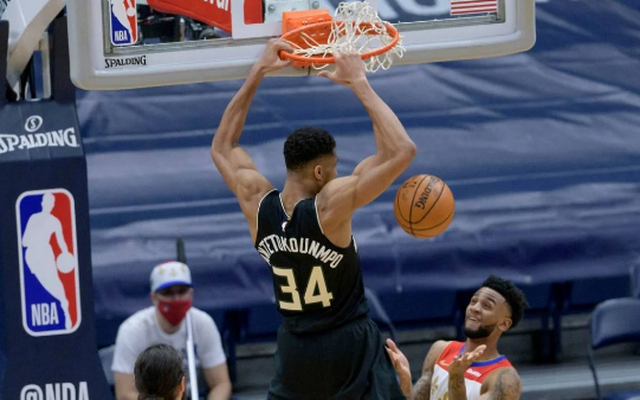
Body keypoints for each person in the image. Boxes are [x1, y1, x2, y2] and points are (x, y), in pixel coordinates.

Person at [211, 39, 416, 399]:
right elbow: (401, 150)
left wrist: (258, 71)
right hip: (346, 345)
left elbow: (223, 146)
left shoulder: (256, 201)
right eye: (334, 169)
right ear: (319, 172)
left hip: (295, 349)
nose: (338, 175)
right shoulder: (329, 207)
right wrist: (358, 82)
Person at [385, 275, 529, 400]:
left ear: (504, 324)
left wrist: (456, 378)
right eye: (473, 301)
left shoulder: (505, 379)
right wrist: (405, 382)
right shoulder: (440, 350)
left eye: (486, 306)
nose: (475, 308)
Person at [112, 261, 232, 400]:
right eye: (167, 293)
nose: (176, 299)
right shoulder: (132, 330)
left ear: (191, 294)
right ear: (154, 297)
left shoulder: (203, 324)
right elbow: (124, 393)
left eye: (182, 291)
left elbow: (221, 384)